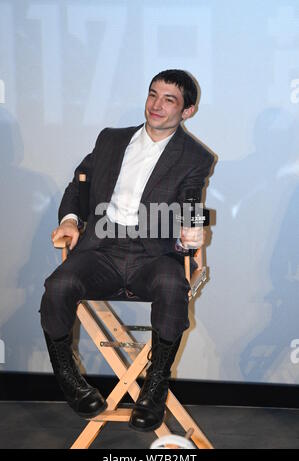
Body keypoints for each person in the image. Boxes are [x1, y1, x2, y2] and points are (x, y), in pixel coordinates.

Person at [40, 69, 214, 432]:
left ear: (188, 111)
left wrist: (188, 238)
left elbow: (188, 205)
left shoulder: (195, 156)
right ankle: (68, 377)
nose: (157, 105)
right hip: (101, 250)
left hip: (154, 255)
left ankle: (154, 387)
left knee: (172, 286)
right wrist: (71, 219)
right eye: (153, 94)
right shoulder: (111, 139)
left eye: (170, 100)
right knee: (57, 286)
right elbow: (79, 182)